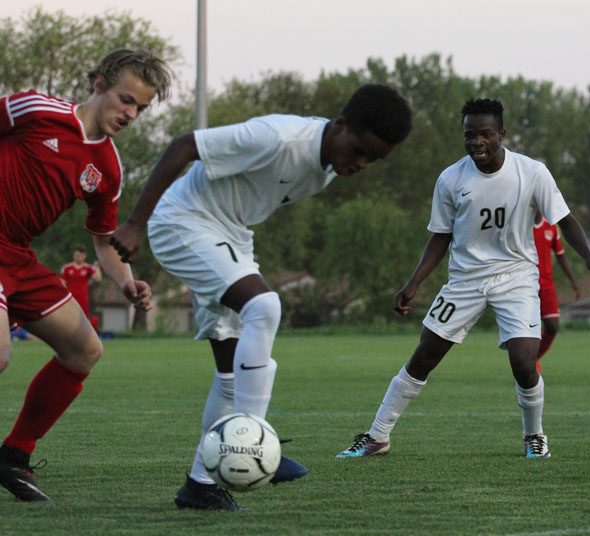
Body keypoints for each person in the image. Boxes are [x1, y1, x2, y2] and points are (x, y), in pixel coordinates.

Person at [110, 84, 413, 510]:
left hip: (230, 234)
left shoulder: (328, 164)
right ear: (341, 126)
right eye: (359, 150)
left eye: (372, 160)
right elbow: (183, 146)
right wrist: (135, 224)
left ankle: (200, 485)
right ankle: (253, 436)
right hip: (183, 223)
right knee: (265, 306)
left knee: (232, 376)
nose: (360, 164)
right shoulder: (276, 137)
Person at [336, 98, 590, 461]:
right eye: (469, 135)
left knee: (524, 362)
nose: (476, 142)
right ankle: (377, 437)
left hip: (515, 277)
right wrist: (414, 282)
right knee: (423, 357)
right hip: (465, 280)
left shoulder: (531, 172)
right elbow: (440, 235)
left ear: (502, 134)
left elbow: (565, 219)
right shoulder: (451, 178)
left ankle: (535, 436)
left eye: (485, 134)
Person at [0, 49, 170, 501]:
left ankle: (13, 457)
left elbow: (102, 243)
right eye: (125, 99)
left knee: (84, 349)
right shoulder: (36, 109)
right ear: (98, 83)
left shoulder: (109, 169)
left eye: (140, 107)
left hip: (15, 255)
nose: (130, 113)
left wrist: (125, 281)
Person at [533, 212, 581, 372]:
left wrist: (573, 282)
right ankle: (527, 363)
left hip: (547, 287)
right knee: (528, 329)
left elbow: (561, 256)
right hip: (526, 286)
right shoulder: (521, 225)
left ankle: (534, 358)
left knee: (552, 326)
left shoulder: (551, 227)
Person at [60, 246, 103, 332]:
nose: (77, 257)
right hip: (70, 298)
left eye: (79, 255)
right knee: (69, 318)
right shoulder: (67, 268)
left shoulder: (88, 268)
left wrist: (97, 267)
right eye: (76, 255)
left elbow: (98, 279)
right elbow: (62, 283)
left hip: (83, 299)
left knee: (83, 320)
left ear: (84, 256)